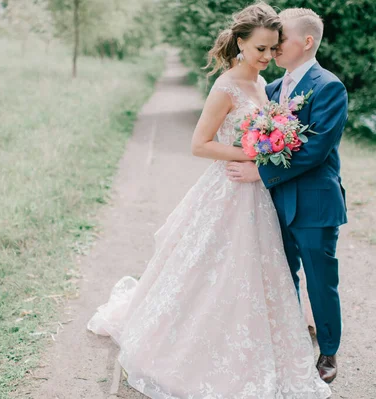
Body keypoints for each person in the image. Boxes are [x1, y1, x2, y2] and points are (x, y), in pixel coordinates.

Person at [87, 3, 332, 398]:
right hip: (230, 187)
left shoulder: (265, 86)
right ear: (240, 44)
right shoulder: (226, 86)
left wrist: (267, 154)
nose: (269, 57)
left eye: (273, 49)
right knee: (215, 265)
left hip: (258, 191)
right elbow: (200, 145)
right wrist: (252, 155)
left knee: (260, 267)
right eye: (261, 50)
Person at [226, 8, 349, 384]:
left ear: (307, 42)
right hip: (273, 203)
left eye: (283, 40)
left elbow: (315, 150)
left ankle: (328, 351)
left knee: (320, 279)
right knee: (282, 276)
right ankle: (294, 341)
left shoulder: (330, 87)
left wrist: (259, 173)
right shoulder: (273, 88)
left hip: (313, 202)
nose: (275, 46)